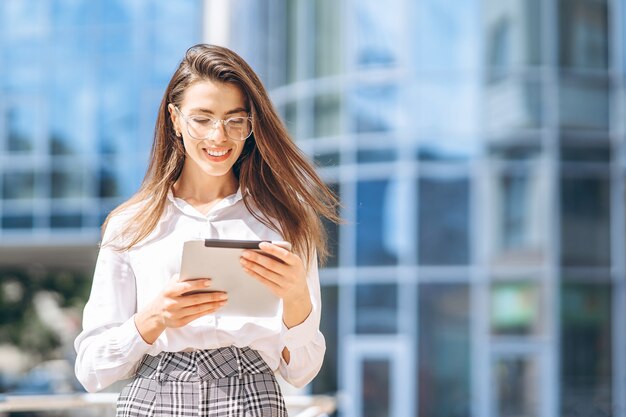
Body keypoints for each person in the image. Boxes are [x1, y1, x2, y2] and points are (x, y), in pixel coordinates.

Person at [74, 44, 340, 417]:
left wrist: (297, 298)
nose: (219, 136)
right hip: (154, 397)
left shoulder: (284, 222)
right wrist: (153, 318)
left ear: (251, 126)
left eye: (235, 120)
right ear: (175, 119)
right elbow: (90, 369)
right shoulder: (130, 224)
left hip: (252, 397)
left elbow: (302, 372)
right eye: (202, 118)